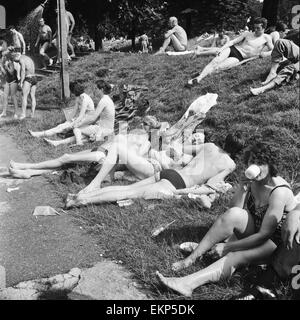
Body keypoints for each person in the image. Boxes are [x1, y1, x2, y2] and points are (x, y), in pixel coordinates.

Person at [156, 142, 298, 298]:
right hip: (255, 232)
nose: (254, 166)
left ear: (271, 165)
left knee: (235, 256)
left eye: (260, 163)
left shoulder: (279, 192)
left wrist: (229, 247)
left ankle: (186, 284)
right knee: (234, 214)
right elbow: (233, 211)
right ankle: (191, 259)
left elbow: (265, 235)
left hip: (273, 244)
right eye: (252, 161)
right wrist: (243, 189)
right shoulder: (253, 182)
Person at [65, 133, 243, 208]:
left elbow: (184, 148)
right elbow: (212, 184)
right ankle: (81, 201)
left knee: (127, 190)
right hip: (178, 183)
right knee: (127, 194)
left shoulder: (210, 146)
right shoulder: (230, 165)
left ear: (225, 141)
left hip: (171, 174)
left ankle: (80, 196)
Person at [186, 17, 274, 87]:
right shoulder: (247, 34)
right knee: (215, 61)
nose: (255, 30)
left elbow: (273, 50)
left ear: (264, 28)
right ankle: (198, 79)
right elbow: (232, 42)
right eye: (254, 27)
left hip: (240, 57)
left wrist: (266, 54)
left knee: (218, 68)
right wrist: (221, 49)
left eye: (258, 28)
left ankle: (201, 72)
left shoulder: (266, 38)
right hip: (233, 49)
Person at [44, 79, 115, 147]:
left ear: (101, 90)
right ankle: (57, 143)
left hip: (104, 130)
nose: (94, 90)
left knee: (77, 128)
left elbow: (93, 118)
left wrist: (78, 124)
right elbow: (97, 117)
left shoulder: (103, 101)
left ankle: (79, 143)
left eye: (96, 89)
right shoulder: (107, 99)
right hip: (106, 129)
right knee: (79, 134)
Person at [28, 81, 94, 138]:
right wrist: (68, 121)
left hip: (87, 119)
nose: (72, 93)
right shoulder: (78, 98)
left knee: (63, 127)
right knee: (62, 126)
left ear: (74, 90)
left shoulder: (85, 99)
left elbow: (81, 115)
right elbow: (74, 111)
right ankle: (41, 133)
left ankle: (40, 134)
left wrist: (72, 124)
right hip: (81, 117)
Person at [10, 50, 37, 119]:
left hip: (28, 78)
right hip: (34, 78)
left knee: (23, 96)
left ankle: (23, 114)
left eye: (16, 61)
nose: (17, 62)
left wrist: (21, 82)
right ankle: (32, 114)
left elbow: (23, 71)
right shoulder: (27, 58)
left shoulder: (21, 59)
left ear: (16, 57)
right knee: (32, 96)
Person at [0, 44, 19, 119]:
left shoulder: (10, 62)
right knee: (5, 96)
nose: (3, 56)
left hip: (13, 80)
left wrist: (6, 67)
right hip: (8, 80)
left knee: (13, 96)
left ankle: (16, 113)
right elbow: (5, 73)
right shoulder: (5, 61)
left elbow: (11, 72)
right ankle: (4, 112)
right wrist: (1, 67)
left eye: (4, 55)